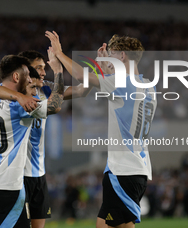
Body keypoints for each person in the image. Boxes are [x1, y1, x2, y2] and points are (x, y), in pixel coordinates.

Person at [46, 31, 157, 228]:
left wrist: (60, 53)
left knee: (107, 225)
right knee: (118, 224)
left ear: (122, 56)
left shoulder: (121, 83)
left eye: (113, 54)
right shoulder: (148, 86)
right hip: (136, 168)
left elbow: (81, 76)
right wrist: (107, 67)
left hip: (123, 170)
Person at [0, 49, 91, 228]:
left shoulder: (43, 89)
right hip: (16, 174)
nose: (43, 71)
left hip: (37, 171)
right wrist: (20, 96)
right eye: (38, 67)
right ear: (24, 69)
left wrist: (96, 71)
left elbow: (82, 90)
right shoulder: (6, 93)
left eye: (44, 67)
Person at [0, 54, 64, 228]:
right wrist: (58, 73)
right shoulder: (23, 106)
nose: (30, 79)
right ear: (17, 77)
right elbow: (55, 105)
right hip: (8, 190)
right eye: (27, 75)